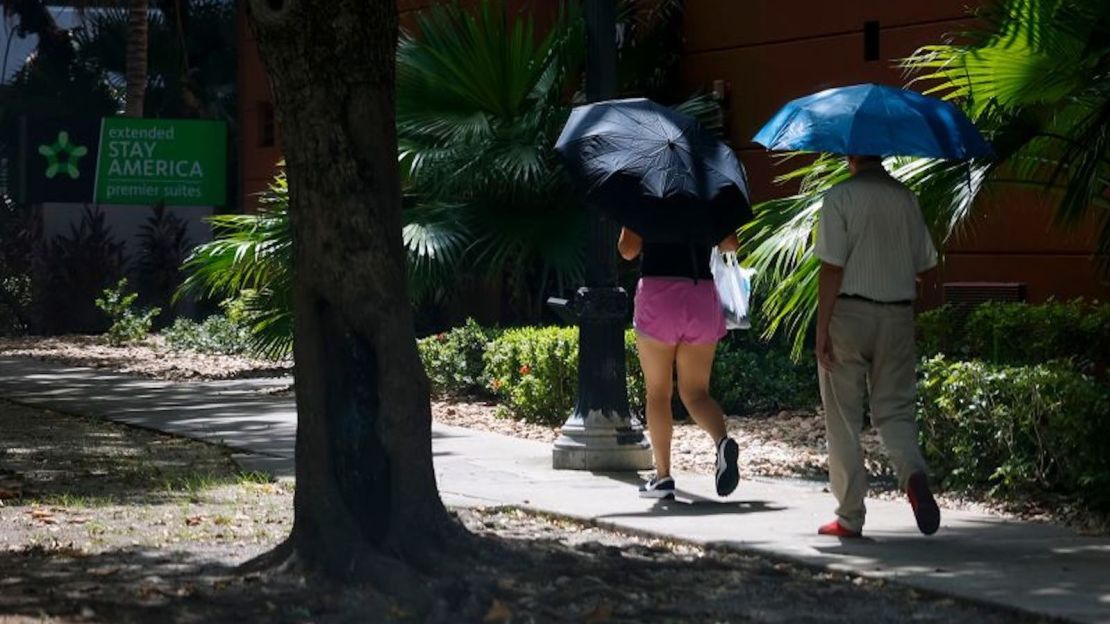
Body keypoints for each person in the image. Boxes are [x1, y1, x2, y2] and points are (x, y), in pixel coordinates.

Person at [813, 154, 941, 538]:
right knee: (896, 410)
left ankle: (850, 516)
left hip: (849, 314)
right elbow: (925, 264)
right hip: (897, 314)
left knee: (843, 418)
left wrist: (822, 329)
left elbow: (832, 267)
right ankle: (914, 476)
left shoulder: (839, 197)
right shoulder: (906, 198)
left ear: (851, 154)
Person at [619, 228, 741, 500]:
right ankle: (722, 442)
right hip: (701, 295)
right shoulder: (707, 192)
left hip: (658, 295)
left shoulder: (647, 192)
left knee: (659, 393)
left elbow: (627, 250)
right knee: (697, 393)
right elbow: (731, 244)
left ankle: (663, 478)